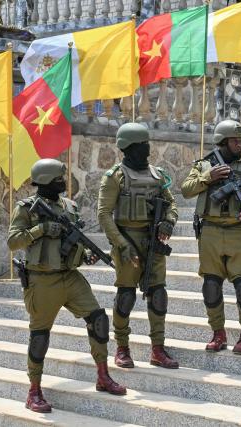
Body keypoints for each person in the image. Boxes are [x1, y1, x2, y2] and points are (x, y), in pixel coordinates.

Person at [8, 158, 126, 413]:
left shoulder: (70, 207)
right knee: (40, 336)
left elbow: (76, 246)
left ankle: (103, 376)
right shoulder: (26, 208)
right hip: (41, 281)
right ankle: (34, 391)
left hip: (70, 277)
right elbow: (13, 241)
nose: (64, 181)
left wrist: (86, 256)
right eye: (60, 178)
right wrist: (41, 229)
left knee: (98, 318)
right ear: (47, 181)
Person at [180, 120, 241, 355]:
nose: (240, 144)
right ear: (222, 142)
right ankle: (218, 334)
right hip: (210, 231)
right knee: (211, 284)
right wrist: (207, 178)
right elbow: (186, 190)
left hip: (238, 232)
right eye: (235, 140)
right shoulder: (202, 166)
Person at [97, 123, 179, 370]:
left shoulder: (158, 175)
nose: (147, 149)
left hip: (153, 241)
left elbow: (172, 204)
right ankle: (122, 348)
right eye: (142, 145)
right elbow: (103, 214)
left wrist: (168, 222)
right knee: (126, 296)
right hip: (127, 242)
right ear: (128, 148)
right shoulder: (115, 177)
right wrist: (121, 244)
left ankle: (157, 349)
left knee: (158, 295)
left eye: (147, 144)